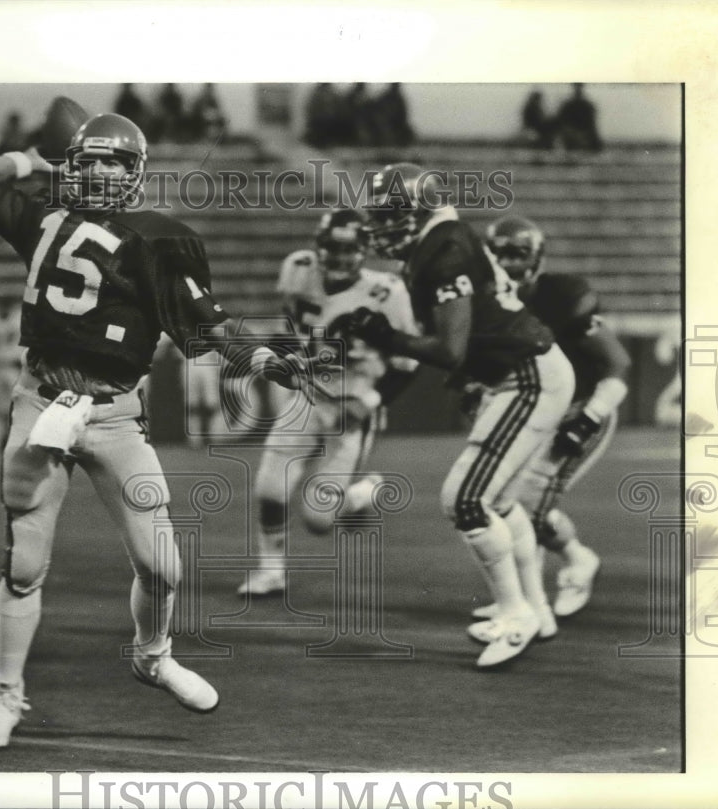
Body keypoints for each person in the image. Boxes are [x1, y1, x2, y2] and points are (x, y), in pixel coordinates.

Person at [0, 112, 335, 748]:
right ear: (72, 164)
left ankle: (152, 655)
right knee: (24, 562)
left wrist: (269, 361)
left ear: (135, 172)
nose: (101, 172)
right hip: (41, 401)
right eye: (90, 160)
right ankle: (7, 696)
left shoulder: (161, 238)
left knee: (164, 566)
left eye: (114, 162)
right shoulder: (44, 218)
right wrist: (39, 163)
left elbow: (211, 329)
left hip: (115, 415)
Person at [345, 164, 575, 668]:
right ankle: (534, 607)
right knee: (500, 500)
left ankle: (517, 616)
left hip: (527, 374)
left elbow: (450, 348)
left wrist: (387, 337)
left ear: (417, 211)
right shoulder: (439, 240)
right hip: (519, 372)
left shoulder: (443, 248)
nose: (381, 225)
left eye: (390, 214)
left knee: (465, 499)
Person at [238, 209, 419, 597]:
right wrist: (286, 358)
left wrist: (369, 401)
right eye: (330, 248)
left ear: (365, 250)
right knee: (270, 488)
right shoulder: (298, 268)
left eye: (348, 249)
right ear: (318, 247)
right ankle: (271, 571)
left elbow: (408, 365)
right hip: (306, 393)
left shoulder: (388, 292)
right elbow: (294, 328)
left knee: (319, 519)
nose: (337, 257)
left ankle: (361, 493)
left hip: (351, 404)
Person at [466, 216, 630, 628]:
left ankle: (567, 570)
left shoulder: (562, 297)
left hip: (579, 410)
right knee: (505, 502)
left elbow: (618, 362)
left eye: (517, 254)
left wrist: (589, 418)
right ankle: (550, 578)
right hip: (533, 410)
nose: (506, 262)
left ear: (536, 259)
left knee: (529, 508)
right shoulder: (485, 301)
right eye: (498, 253)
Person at [554, 83, 602, 152]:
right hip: (571, 139)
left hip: (583, 139)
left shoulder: (588, 106)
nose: (578, 89)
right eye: (577, 87)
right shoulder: (567, 105)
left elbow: (592, 126)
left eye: (579, 87)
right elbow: (561, 124)